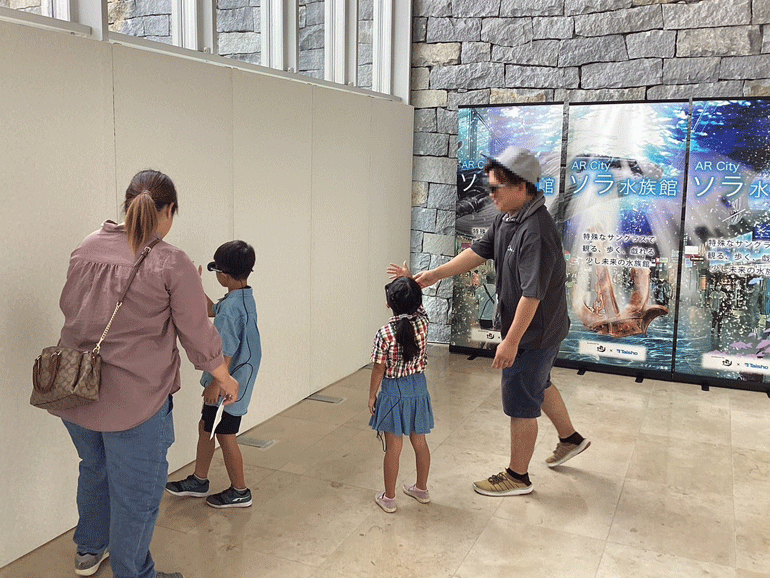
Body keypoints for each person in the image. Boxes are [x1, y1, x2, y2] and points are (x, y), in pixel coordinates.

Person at [50, 170, 238, 578]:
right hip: (136, 404)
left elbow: (73, 308)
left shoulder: (87, 246)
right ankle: (133, 572)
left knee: (94, 470)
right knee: (136, 495)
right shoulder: (172, 262)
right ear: (170, 211)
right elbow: (197, 333)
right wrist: (224, 376)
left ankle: (88, 551)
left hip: (76, 392)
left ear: (128, 204)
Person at [414, 146, 590, 497]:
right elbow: (478, 251)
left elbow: (532, 295)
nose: (490, 194)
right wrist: (435, 274)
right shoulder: (508, 218)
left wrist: (510, 341)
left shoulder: (536, 232)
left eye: (496, 188)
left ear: (522, 186)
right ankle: (570, 439)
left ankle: (518, 476)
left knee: (521, 401)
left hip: (534, 333)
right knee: (538, 385)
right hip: (540, 329)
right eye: (489, 186)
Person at [165, 240, 262, 508]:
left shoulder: (231, 307)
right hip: (239, 376)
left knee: (224, 434)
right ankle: (199, 479)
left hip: (229, 381)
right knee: (207, 427)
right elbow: (210, 310)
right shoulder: (242, 297)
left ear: (223, 274)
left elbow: (226, 351)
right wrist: (194, 289)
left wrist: (218, 383)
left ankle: (240, 490)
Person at [369, 263, 434, 513]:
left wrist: (372, 395)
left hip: (393, 391)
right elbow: (418, 305)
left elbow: (378, 368)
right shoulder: (423, 323)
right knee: (420, 442)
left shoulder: (384, 333)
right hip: (418, 387)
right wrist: (409, 279)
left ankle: (389, 497)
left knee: (393, 448)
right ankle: (421, 488)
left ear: (389, 305)